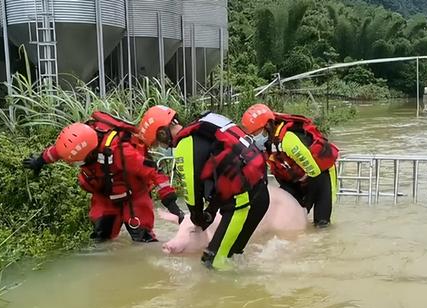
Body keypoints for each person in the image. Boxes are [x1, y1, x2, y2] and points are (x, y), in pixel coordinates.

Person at [138, 105, 269, 270]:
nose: (165, 148)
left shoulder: (185, 144)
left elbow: (191, 191)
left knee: (212, 263)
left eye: (160, 144)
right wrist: (212, 211)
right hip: (260, 193)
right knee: (232, 255)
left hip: (242, 203)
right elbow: (228, 171)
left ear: (162, 133)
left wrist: (197, 216)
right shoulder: (207, 127)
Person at [22, 111, 185, 243]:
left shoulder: (123, 152)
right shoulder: (77, 140)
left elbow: (154, 172)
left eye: (80, 162)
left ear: (92, 152)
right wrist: (40, 161)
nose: (80, 165)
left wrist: (171, 203)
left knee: (142, 239)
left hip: (134, 195)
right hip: (104, 195)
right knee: (101, 237)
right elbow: (58, 150)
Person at [241, 103, 339, 228]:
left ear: (267, 126)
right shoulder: (264, 144)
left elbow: (314, 172)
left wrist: (305, 205)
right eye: (250, 135)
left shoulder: (288, 141)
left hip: (320, 175)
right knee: (288, 216)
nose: (253, 138)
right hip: (294, 177)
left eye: (255, 134)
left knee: (321, 224)